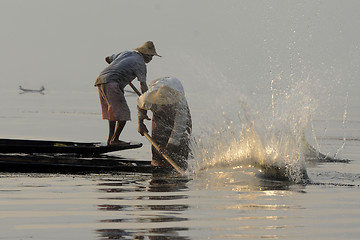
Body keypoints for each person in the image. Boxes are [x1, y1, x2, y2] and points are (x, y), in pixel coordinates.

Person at [94, 41, 161, 146]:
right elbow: (143, 86)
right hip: (112, 82)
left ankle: (110, 140)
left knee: (113, 112)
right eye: (150, 56)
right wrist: (147, 100)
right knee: (123, 114)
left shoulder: (127, 53)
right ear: (144, 54)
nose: (151, 58)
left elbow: (108, 59)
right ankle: (115, 140)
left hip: (101, 80)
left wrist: (120, 67)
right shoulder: (140, 64)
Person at [137, 77, 192, 170]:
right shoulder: (147, 99)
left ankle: (181, 165)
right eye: (163, 106)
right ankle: (158, 162)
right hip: (158, 87)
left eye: (167, 105)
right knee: (158, 136)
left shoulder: (180, 106)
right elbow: (139, 105)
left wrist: (169, 147)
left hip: (176, 93)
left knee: (182, 140)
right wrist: (141, 123)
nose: (165, 108)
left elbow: (178, 129)